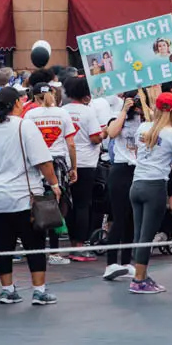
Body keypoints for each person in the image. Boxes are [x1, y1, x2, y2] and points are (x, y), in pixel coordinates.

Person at [0, 87, 61, 306]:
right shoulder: (25, 126)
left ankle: (7, 290)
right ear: (17, 103)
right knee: (34, 243)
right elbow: (43, 161)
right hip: (22, 196)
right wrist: (54, 184)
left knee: (3, 245)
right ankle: (39, 291)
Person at [129, 92, 172, 294]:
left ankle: (141, 275)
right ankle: (139, 280)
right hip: (154, 186)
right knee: (147, 235)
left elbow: (138, 151)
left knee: (139, 233)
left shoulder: (143, 128)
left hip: (137, 183)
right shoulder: (171, 133)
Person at [23, 71, 77, 265]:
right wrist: (74, 167)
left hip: (36, 162)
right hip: (58, 163)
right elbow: (71, 144)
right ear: (53, 94)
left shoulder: (30, 115)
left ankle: (33, 248)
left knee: (35, 203)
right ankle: (54, 251)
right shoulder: (62, 113)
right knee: (57, 206)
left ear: (34, 97)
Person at [103, 91, 143, 281]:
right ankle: (111, 263)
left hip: (139, 170)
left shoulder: (145, 119)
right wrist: (124, 110)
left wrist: (146, 106)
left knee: (132, 220)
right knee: (119, 217)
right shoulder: (117, 117)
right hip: (120, 169)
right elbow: (111, 133)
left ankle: (126, 262)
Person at [63, 75, 103, 262]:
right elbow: (95, 138)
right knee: (83, 205)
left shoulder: (63, 111)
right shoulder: (88, 112)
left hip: (66, 162)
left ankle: (72, 243)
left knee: (69, 206)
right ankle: (79, 246)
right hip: (85, 163)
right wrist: (105, 133)